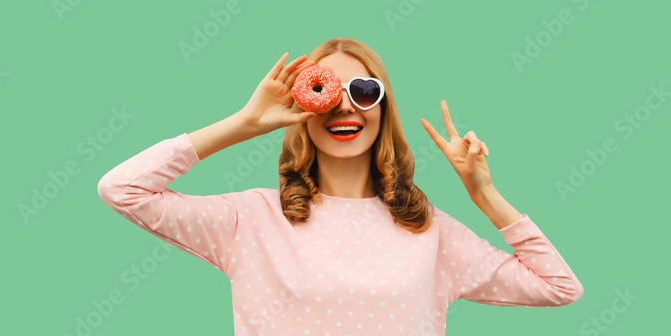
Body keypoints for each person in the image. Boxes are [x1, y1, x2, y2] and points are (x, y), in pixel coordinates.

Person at [97, 37, 583, 336]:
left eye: (364, 91)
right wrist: (243, 124)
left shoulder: (431, 232)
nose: (345, 107)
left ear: (382, 107)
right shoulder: (250, 219)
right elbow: (122, 189)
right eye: (327, 93)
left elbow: (559, 287)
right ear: (304, 107)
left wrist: (484, 197)